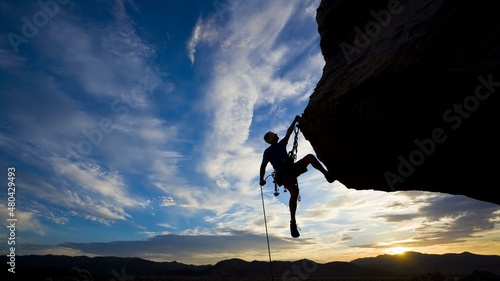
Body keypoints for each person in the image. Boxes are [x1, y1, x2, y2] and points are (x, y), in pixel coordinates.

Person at [259, 115, 335, 238]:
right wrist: (261, 179)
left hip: (289, 170)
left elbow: (288, 133)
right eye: (275, 135)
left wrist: (262, 179)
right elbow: (263, 166)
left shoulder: (277, 146)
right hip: (284, 174)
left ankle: (327, 175)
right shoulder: (270, 151)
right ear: (273, 139)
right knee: (294, 192)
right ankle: (293, 222)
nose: (277, 135)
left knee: (310, 157)